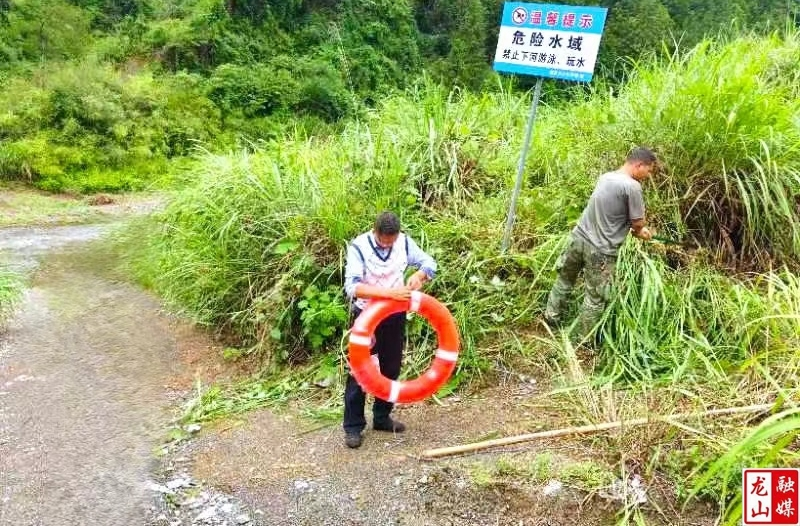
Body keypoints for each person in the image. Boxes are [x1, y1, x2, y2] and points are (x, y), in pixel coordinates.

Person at [342, 211, 437, 449]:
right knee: (360, 372)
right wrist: (389, 293)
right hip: (365, 317)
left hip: (394, 316)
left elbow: (429, 263)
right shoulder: (359, 247)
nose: (386, 244)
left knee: (391, 367)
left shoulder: (403, 242)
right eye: (383, 240)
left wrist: (419, 275)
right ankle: (353, 427)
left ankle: (382, 417)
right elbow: (352, 286)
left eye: (390, 241)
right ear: (375, 232)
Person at [543, 147, 657, 343]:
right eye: (649, 170)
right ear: (639, 165)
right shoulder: (632, 187)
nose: (649, 175)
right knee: (595, 298)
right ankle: (582, 341)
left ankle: (550, 319)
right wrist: (641, 233)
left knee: (564, 280)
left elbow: (610, 213)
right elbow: (638, 223)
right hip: (601, 252)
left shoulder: (606, 177)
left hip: (577, 239)